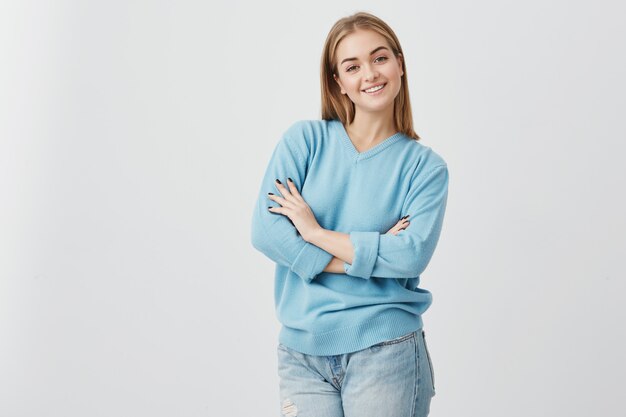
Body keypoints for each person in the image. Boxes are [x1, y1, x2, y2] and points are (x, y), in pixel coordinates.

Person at [250, 11, 448, 417]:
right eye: (352, 66)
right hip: (302, 354)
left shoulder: (425, 168)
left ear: (400, 64)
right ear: (337, 81)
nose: (370, 74)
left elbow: (410, 255)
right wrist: (365, 253)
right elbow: (265, 231)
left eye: (379, 59)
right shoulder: (305, 141)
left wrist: (312, 231)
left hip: (386, 350)